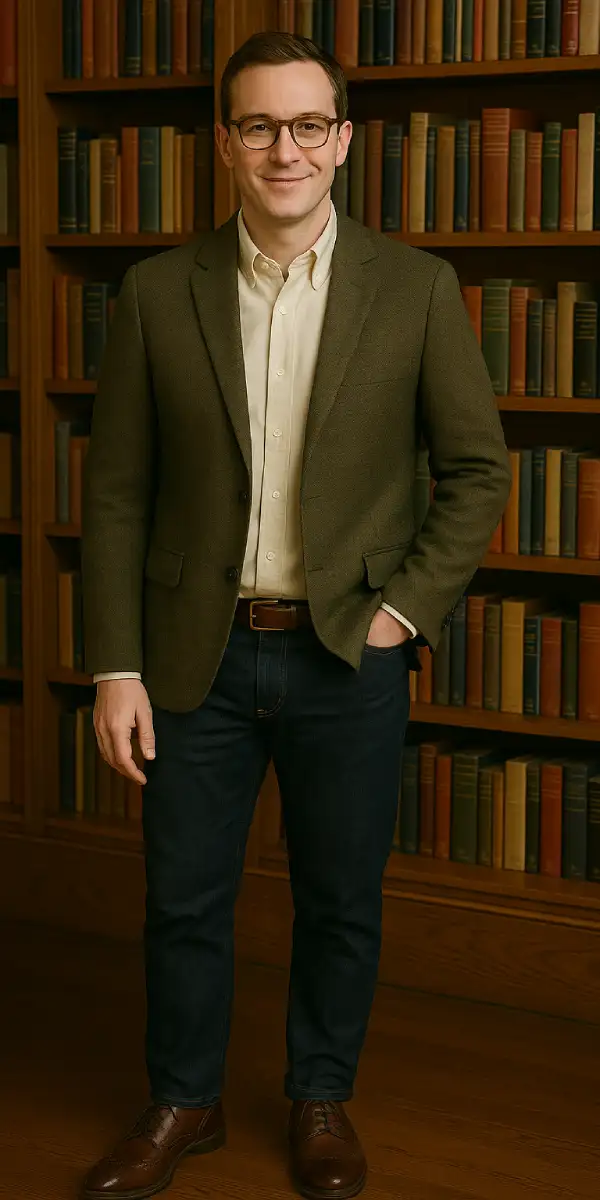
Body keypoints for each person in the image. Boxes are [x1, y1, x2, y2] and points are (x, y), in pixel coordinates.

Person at [79, 28, 511, 1200]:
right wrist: (113, 666)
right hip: (190, 659)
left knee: (339, 898)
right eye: (261, 124)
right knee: (182, 900)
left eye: (307, 124)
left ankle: (321, 1099)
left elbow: (477, 472)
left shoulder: (414, 287)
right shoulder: (159, 292)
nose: (286, 147)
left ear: (344, 141)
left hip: (345, 657)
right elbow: (116, 493)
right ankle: (184, 1102)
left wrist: (402, 616)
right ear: (225, 142)